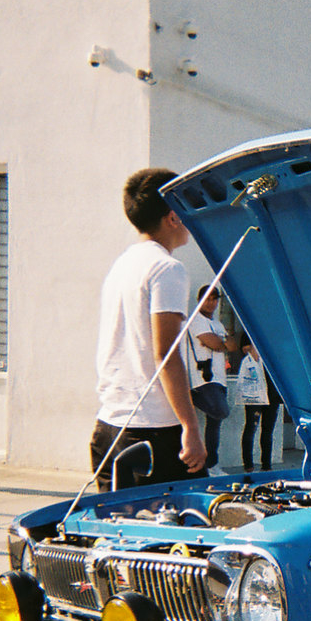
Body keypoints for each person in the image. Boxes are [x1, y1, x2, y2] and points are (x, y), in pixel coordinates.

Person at [90, 167, 207, 491]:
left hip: (110, 426)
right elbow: (165, 354)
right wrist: (190, 426)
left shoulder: (122, 265)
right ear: (173, 217)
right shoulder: (167, 268)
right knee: (191, 518)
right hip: (155, 431)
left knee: (116, 523)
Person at [186, 284, 236, 469]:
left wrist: (220, 341)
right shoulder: (195, 320)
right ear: (199, 300)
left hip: (220, 379)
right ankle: (190, 397)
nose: (211, 303)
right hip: (203, 380)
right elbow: (215, 344)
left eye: (214, 299)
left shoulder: (217, 324)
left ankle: (211, 465)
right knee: (221, 411)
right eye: (207, 299)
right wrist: (221, 341)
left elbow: (232, 346)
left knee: (214, 424)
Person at [235, 325, 281, 471]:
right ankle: (248, 465)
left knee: (268, 429)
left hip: (272, 389)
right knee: (251, 426)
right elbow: (248, 351)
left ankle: (266, 465)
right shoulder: (250, 328)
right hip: (254, 389)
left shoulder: (276, 333)